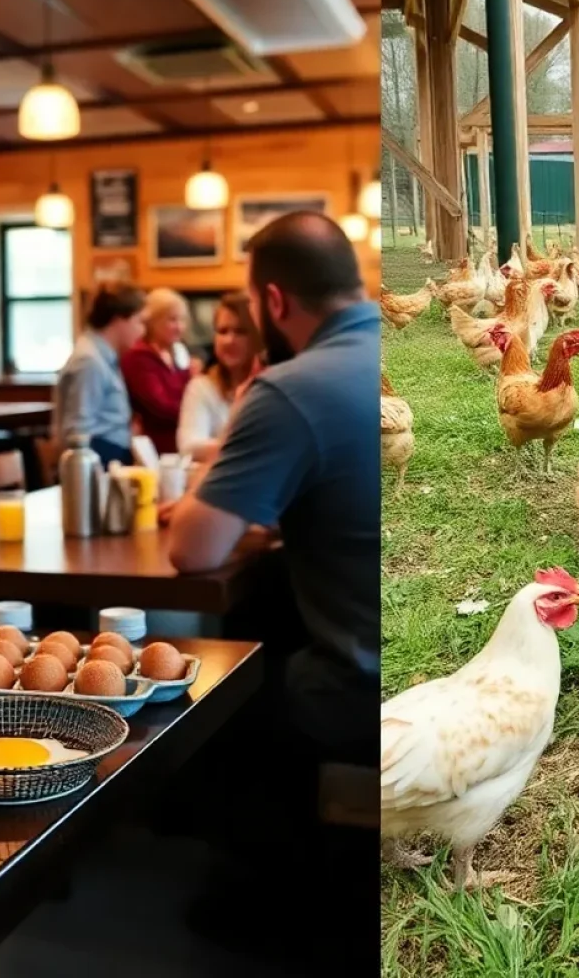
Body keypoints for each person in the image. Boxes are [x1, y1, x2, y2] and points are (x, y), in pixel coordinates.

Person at [166, 212, 379, 962]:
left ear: (274, 303)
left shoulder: (288, 388)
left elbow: (191, 549)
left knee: (211, 706)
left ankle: (267, 901)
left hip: (360, 691)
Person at [52, 285, 144, 467]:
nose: (142, 331)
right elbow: (77, 433)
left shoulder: (104, 355)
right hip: (98, 464)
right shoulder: (88, 360)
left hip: (111, 457)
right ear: (119, 320)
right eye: (139, 321)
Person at [175, 292, 262, 462]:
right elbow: (189, 446)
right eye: (222, 331)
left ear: (256, 337)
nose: (229, 340)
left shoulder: (270, 385)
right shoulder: (201, 386)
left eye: (240, 332)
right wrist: (249, 446)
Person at [120, 288, 195, 455]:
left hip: (180, 447)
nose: (180, 327)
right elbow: (160, 407)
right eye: (172, 320)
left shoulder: (178, 354)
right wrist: (195, 412)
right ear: (153, 321)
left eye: (182, 320)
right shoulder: (138, 358)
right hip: (153, 451)